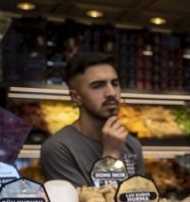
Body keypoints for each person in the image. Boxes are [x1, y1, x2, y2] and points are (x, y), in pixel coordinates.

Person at [41, 52, 144, 187]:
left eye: (115, 83)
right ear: (76, 97)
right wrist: (111, 156)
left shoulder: (132, 145)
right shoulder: (58, 149)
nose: (111, 92)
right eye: (98, 86)